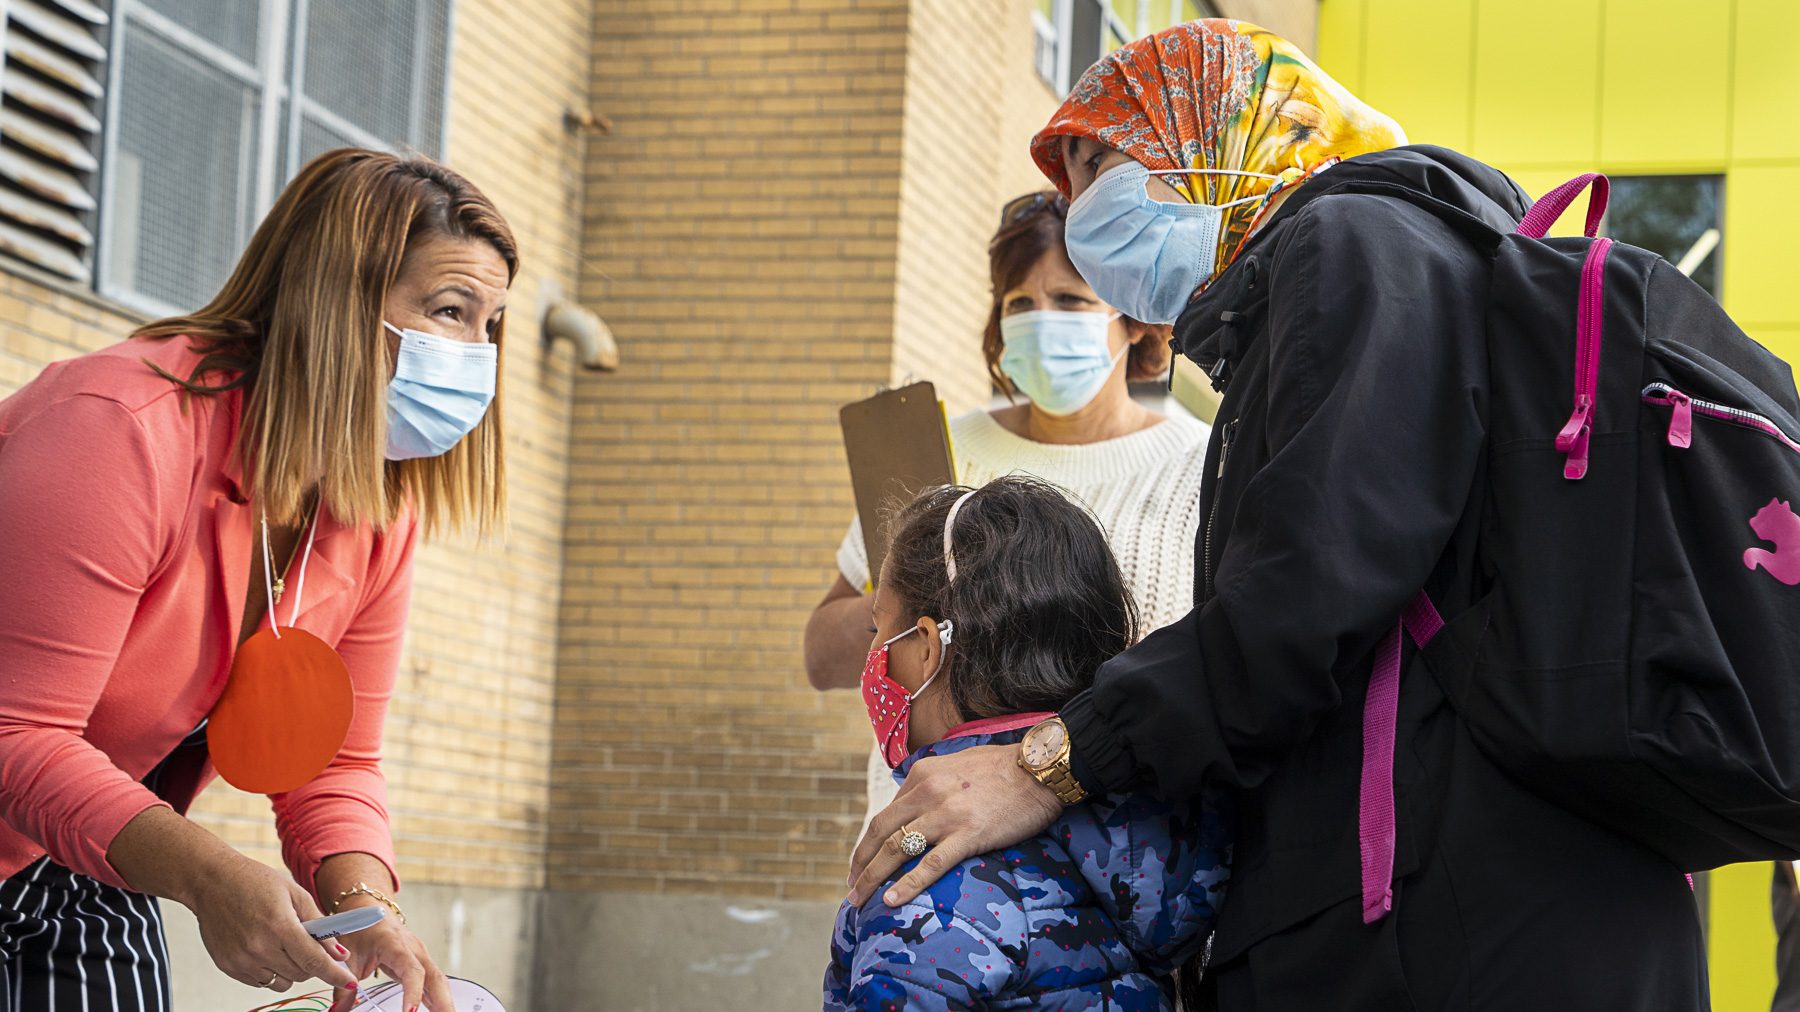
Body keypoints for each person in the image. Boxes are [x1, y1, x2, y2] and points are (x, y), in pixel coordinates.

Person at [847, 19, 1710, 1009]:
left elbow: (1309, 589)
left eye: (1098, 168)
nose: (1078, 211)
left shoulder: (1356, 247)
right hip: (1474, 905)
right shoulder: (1344, 277)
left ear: (1217, 143)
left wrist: (1057, 760)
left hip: (1480, 923)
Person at [0, 148, 514, 1012]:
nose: (475, 354)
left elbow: (335, 762)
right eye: (450, 311)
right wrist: (209, 877)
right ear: (334, 300)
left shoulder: (376, 509)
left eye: (489, 325)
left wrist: (362, 908)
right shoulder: (121, 431)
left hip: (70, 850)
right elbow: (14, 728)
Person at [804, 190, 1211, 829]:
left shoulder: (1203, 466)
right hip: (921, 857)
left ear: (1133, 319)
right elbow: (821, 657)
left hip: (1113, 864)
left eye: (1071, 301)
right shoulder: (936, 454)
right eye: (1020, 304)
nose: (1042, 321)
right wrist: (912, 605)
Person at [823, 478, 1230, 1010]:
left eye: (879, 626)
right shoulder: (1161, 844)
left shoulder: (926, 898)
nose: (873, 653)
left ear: (927, 646)